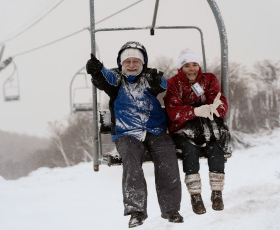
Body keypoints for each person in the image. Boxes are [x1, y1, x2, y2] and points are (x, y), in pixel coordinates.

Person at [86, 41, 184, 228]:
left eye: (136, 62)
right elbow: (104, 78)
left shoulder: (148, 76)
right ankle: (136, 211)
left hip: (154, 129)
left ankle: (171, 209)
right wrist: (97, 71)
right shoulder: (116, 79)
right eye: (127, 62)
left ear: (142, 63)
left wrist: (158, 79)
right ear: (122, 64)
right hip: (127, 132)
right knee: (131, 159)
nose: (131, 65)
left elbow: (164, 85)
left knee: (167, 156)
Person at [163, 48, 231, 215]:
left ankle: (217, 192)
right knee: (189, 151)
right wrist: (193, 112)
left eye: (194, 65)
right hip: (184, 129)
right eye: (187, 66)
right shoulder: (174, 83)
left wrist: (217, 108)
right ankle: (196, 195)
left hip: (207, 127)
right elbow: (173, 111)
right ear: (181, 68)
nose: (191, 69)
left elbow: (219, 100)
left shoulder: (208, 80)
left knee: (215, 147)